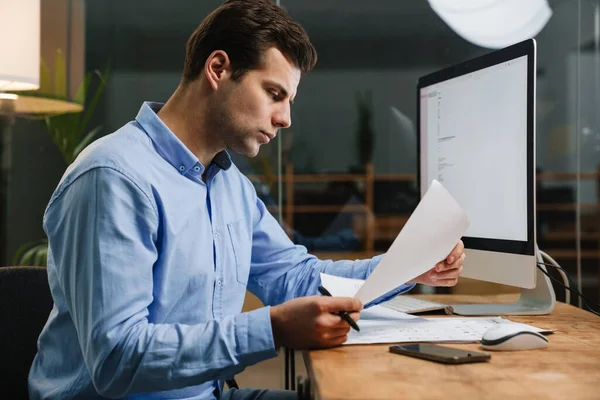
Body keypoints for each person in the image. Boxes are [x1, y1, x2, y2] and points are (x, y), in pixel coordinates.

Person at [28, 1, 465, 399]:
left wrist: (408, 265)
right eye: (275, 94)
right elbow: (117, 359)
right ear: (218, 68)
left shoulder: (228, 185)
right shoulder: (114, 177)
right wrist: (271, 329)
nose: (285, 118)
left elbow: (295, 278)